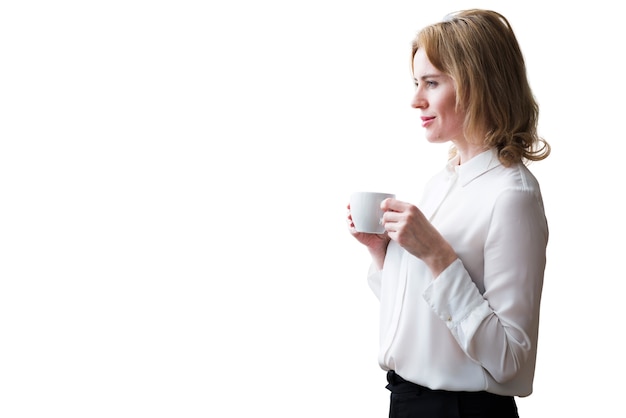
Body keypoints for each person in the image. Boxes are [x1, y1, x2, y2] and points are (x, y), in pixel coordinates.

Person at [347, 9, 550, 418]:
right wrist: (382, 255)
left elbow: (512, 359)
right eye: (416, 82)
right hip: (408, 402)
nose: (415, 99)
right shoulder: (444, 182)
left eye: (432, 83)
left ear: (477, 85)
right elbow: (428, 321)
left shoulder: (513, 197)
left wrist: (439, 256)